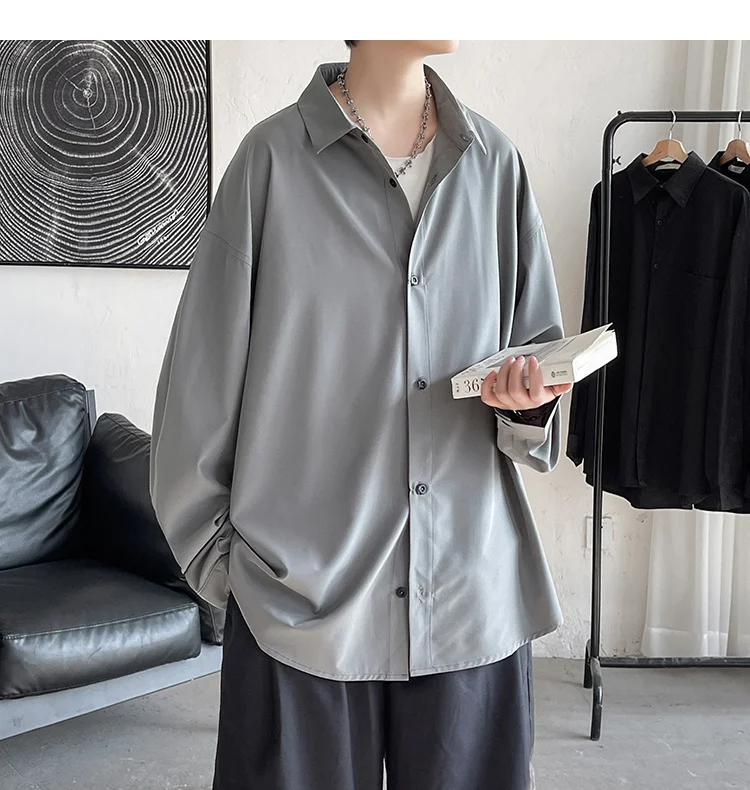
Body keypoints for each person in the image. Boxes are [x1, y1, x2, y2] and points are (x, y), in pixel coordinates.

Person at [149, 39, 571, 790]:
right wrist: (234, 580)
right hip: (299, 611)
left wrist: (529, 405)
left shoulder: (494, 166)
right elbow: (199, 390)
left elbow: (541, 362)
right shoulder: (270, 164)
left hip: (467, 596)